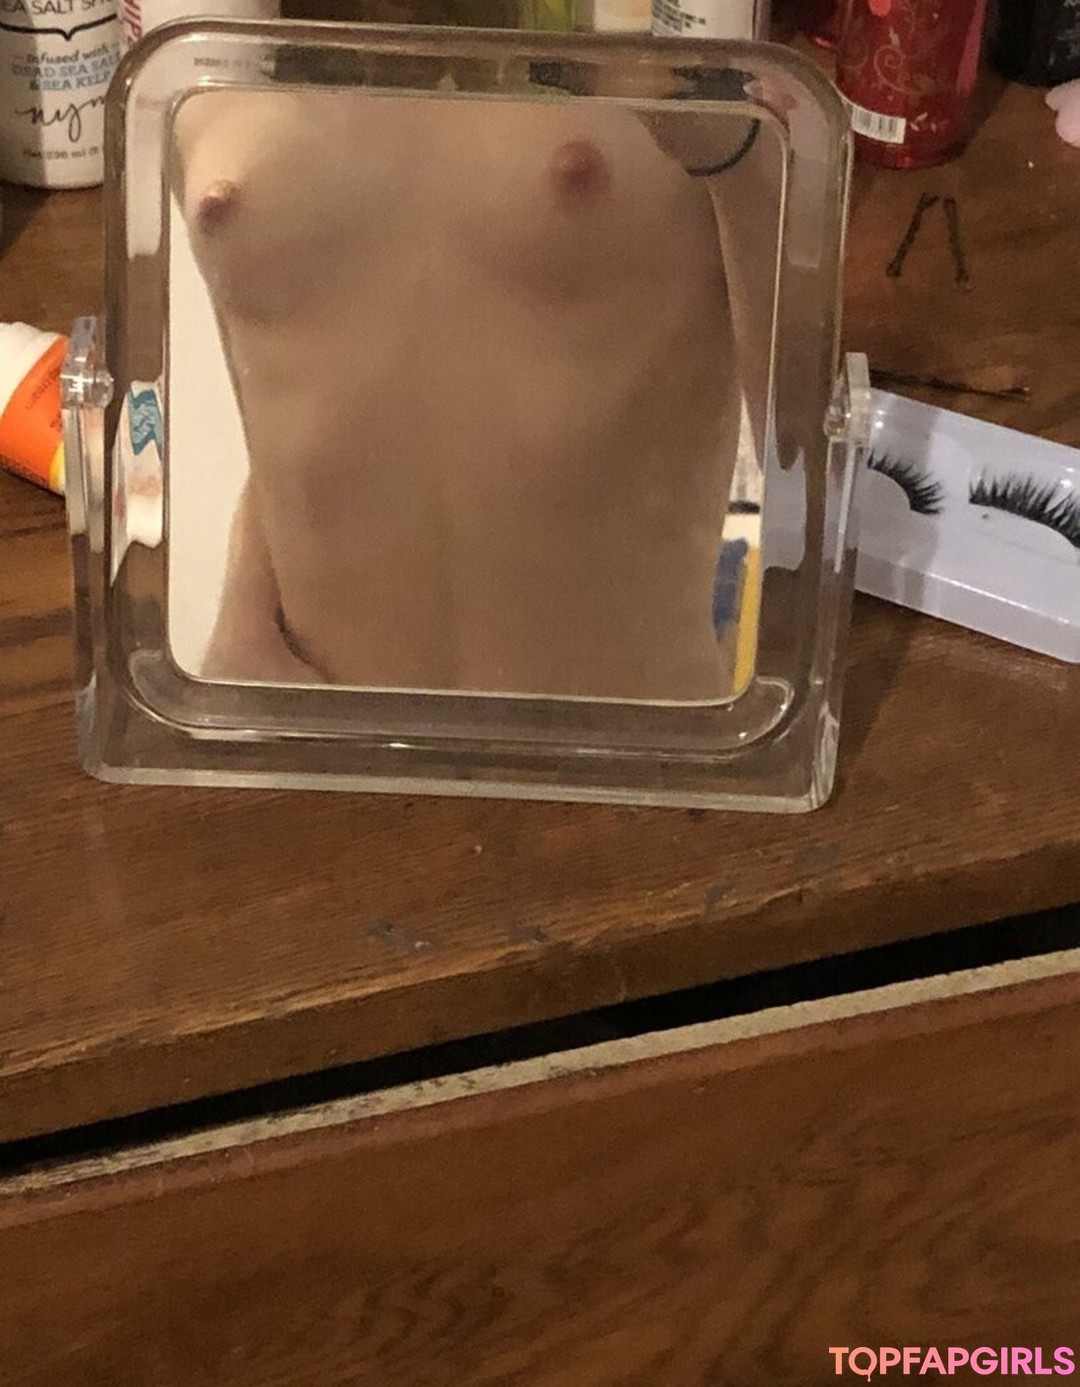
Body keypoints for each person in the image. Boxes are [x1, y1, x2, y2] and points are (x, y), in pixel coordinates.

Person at [174, 76, 763, 702]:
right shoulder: (199, 62)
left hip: (634, 733)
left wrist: (739, 154)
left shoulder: (680, 50)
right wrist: (241, 618)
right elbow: (291, 390)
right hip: (314, 728)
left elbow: (810, 435)